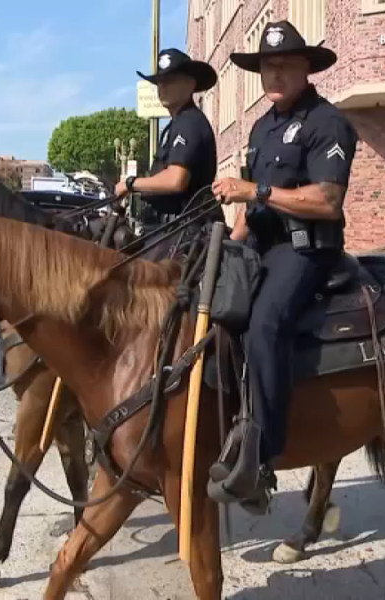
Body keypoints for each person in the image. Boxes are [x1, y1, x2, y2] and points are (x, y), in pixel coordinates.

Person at [208, 20, 358, 505]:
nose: (274, 75)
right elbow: (252, 210)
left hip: (306, 249)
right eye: (267, 67)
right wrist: (230, 246)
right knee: (207, 308)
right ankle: (222, 421)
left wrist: (256, 191)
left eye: (284, 66)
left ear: (305, 69)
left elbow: (327, 201)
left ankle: (263, 457)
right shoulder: (260, 126)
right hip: (261, 245)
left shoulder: (327, 123)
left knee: (264, 323)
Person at [113, 48, 219, 251]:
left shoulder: (189, 123)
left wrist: (130, 183)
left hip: (183, 234)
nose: (162, 87)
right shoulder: (177, 124)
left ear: (191, 84)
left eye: (170, 81)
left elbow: (175, 180)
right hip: (169, 230)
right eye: (159, 83)